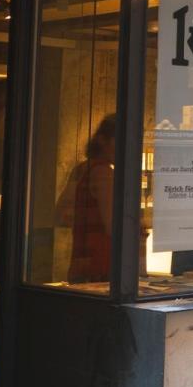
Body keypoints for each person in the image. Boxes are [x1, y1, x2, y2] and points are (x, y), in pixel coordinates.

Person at [60, 113, 118, 285]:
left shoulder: (81, 169)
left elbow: (61, 214)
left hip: (81, 260)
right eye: (118, 141)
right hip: (101, 263)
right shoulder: (103, 172)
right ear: (103, 141)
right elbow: (112, 226)